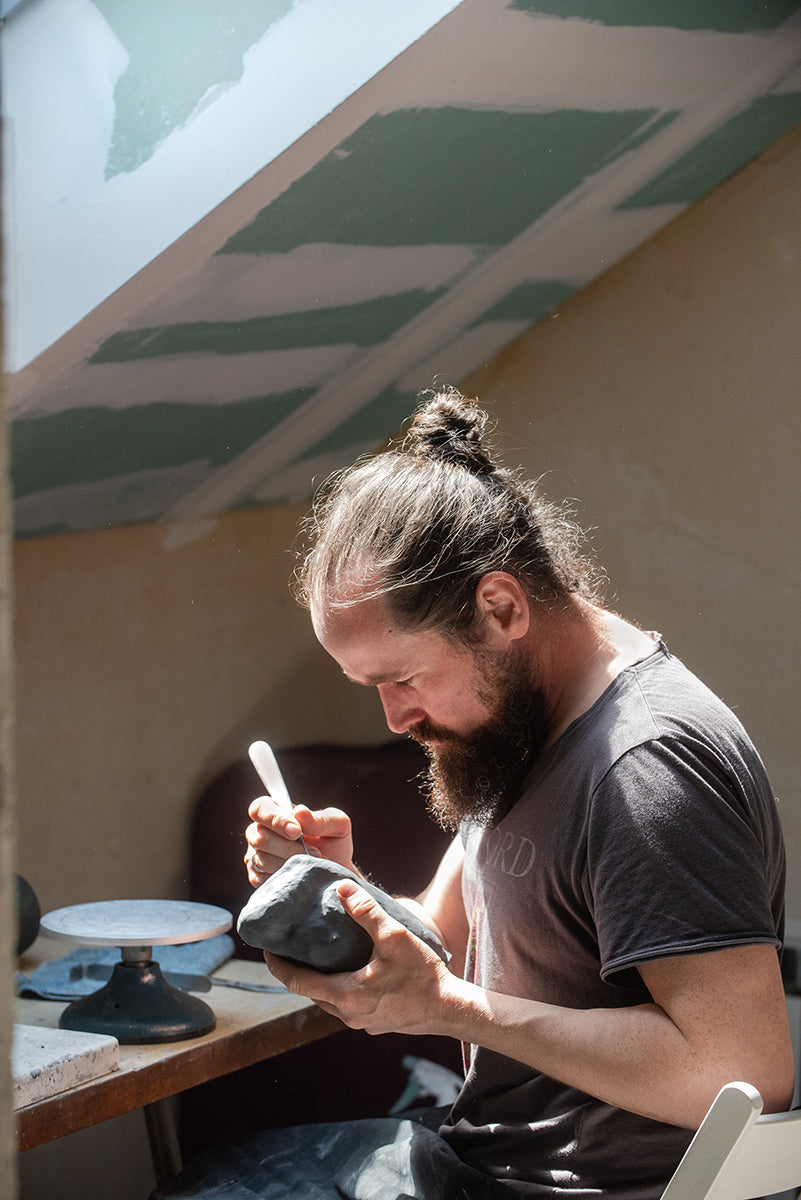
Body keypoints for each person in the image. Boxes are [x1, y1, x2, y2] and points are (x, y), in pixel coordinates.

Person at [156, 389, 793, 1199]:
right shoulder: (522, 724)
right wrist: (342, 895)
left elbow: (737, 1075)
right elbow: (443, 945)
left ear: (498, 607)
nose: (395, 718)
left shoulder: (644, 769)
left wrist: (453, 1010)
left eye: (404, 678)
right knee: (215, 1179)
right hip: (482, 1159)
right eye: (369, 688)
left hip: (576, 1189)